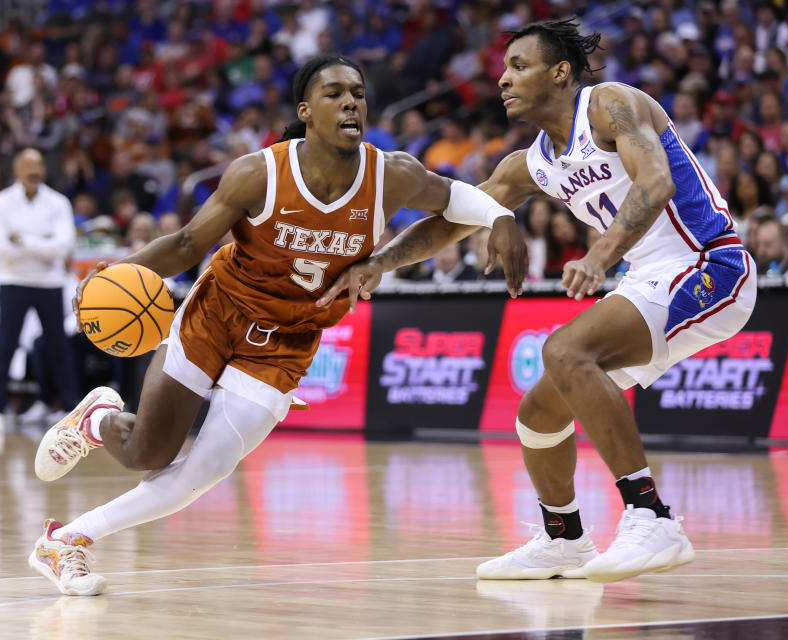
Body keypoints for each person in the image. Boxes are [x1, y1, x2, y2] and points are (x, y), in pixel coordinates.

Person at [28, 54, 528, 597]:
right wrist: (118, 273)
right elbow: (188, 244)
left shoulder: (393, 174)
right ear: (306, 111)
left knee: (206, 469)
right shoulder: (259, 173)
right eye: (334, 93)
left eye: (357, 92)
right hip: (219, 311)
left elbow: (457, 202)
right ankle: (98, 420)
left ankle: (67, 540)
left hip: (287, 342)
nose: (350, 101)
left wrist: (497, 218)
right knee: (150, 452)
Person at [321, 19, 758, 583]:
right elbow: (455, 219)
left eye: (518, 66)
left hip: (709, 264)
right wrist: (378, 262)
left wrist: (599, 256)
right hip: (648, 278)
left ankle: (651, 516)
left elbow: (655, 182)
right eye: (504, 69)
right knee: (539, 414)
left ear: (559, 73)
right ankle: (563, 538)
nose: (503, 79)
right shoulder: (529, 163)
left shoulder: (611, 105)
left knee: (566, 350)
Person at [0, 148, 79, 435]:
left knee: (58, 346)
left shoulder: (58, 202)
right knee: (5, 344)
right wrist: (43, 247)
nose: (34, 171)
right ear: (16, 170)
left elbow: (63, 246)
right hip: (12, 280)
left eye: (38, 165)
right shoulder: (0, 203)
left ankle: (71, 408)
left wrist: (22, 240)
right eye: (27, 165)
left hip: (49, 282)